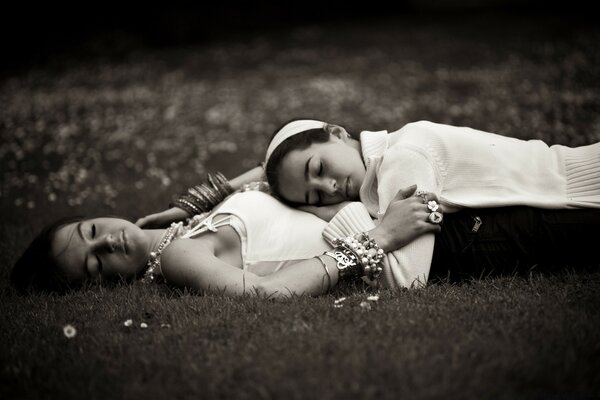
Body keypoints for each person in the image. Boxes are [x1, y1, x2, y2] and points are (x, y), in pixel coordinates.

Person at [262, 119, 600, 288]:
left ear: (336, 133)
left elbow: (408, 279)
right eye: (316, 197)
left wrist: (336, 213)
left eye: (318, 169)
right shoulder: (386, 160)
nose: (330, 187)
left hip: (586, 199)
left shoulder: (401, 157)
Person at [11, 177, 441, 297]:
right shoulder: (178, 257)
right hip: (423, 242)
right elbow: (269, 293)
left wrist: (198, 201)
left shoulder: (186, 226)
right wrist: (378, 238)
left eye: (90, 231)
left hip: (402, 204)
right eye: (94, 263)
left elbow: (275, 173)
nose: (106, 243)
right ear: (102, 285)